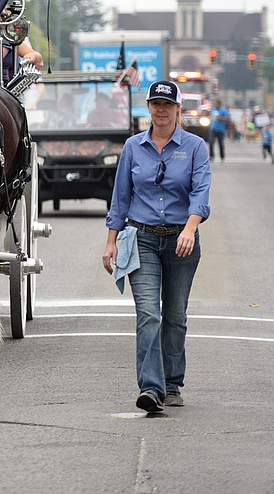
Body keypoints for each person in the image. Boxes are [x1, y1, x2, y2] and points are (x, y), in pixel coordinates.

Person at [101, 79, 210, 413]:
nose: (161, 111)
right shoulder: (133, 147)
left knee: (175, 315)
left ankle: (173, 382)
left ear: (178, 110)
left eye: (168, 105)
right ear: (148, 108)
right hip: (142, 238)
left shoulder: (195, 147)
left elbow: (200, 193)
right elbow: (120, 197)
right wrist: (111, 242)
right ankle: (151, 388)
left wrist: (190, 229)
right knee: (149, 313)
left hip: (182, 240)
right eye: (155, 105)